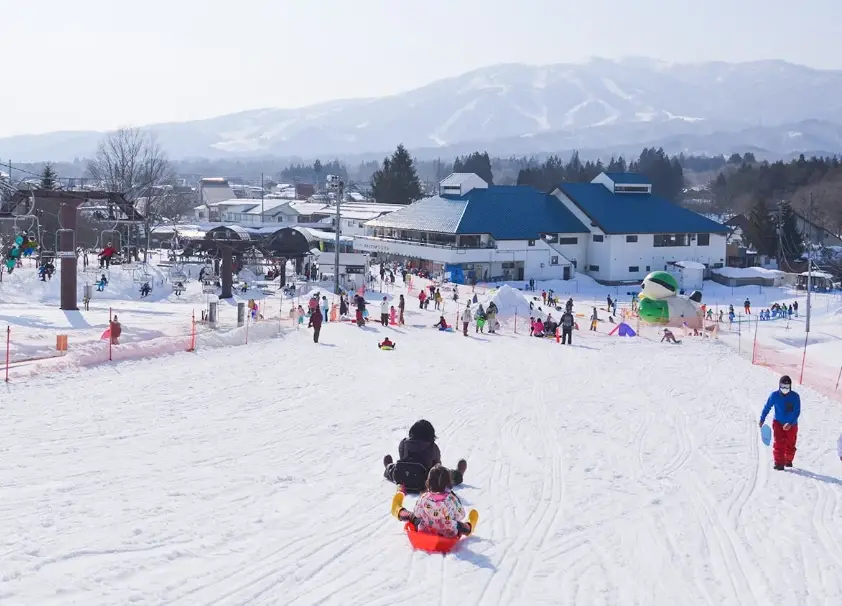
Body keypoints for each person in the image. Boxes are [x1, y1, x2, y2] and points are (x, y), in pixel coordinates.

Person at [391, 465, 477, 538]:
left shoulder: (424, 497)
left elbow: (417, 513)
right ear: (449, 483)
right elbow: (461, 515)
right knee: (460, 526)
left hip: (425, 529)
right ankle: (469, 526)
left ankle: (398, 509)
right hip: (448, 532)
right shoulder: (451, 499)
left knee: (412, 516)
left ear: (428, 482)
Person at [383, 420, 467, 492]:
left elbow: (402, 457)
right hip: (424, 482)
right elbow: (437, 465)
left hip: (402, 479)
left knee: (394, 470)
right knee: (443, 475)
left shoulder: (404, 443)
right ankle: (458, 473)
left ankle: (388, 466)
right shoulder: (432, 447)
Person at [759, 375, 801, 470]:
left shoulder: (795, 397)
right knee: (778, 443)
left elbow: (797, 412)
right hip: (778, 423)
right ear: (779, 386)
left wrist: (790, 423)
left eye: (787, 387)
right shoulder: (774, 396)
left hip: (792, 425)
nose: (784, 389)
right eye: (782, 386)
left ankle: (788, 460)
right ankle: (779, 463)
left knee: (790, 444)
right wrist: (762, 419)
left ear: (790, 386)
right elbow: (767, 407)